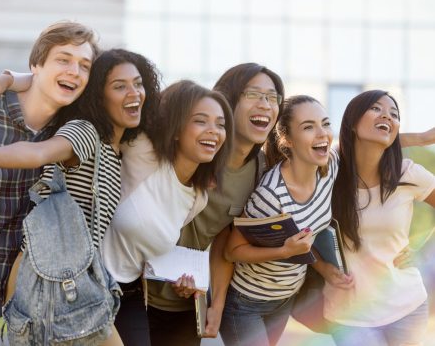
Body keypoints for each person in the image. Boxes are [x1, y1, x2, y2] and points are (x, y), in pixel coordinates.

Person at [0, 20, 98, 346]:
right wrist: (11, 78)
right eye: (64, 59)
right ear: (36, 65)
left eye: (84, 66)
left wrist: (14, 78)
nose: (75, 71)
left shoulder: (65, 136)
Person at [145, 63, 284, 346]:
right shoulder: (193, 148)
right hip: (135, 291)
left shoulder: (260, 170)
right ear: (227, 100)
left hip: (185, 302)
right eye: (253, 94)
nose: (265, 105)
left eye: (272, 97)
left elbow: (224, 239)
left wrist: (216, 305)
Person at [101, 79, 234, 346]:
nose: (214, 131)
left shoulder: (198, 198)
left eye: (220, 124)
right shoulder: (142, 151)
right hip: (92, 281)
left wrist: (180, 279)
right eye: (200, 121)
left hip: (130, 291)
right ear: (175, 128)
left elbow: (147, 245)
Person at [219, 95, 355, 346]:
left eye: (325, 124)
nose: (322, 133)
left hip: (285, 299)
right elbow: (232, 251)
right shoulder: (271, 195)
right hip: (247, 304)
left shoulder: (329, 168)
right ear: (288, 141)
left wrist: (325, 269)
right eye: (308, 127)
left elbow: (367, 144)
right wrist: (284, 251)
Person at [323, 90, 435, 346]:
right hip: (348, 314)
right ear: (352, 122)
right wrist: (422, 138)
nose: (387, 115)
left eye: (394, 114)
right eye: (376, 108)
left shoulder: (407, 174)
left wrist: (420, 250)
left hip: (407, 307)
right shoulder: (329, 171)